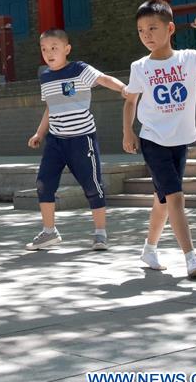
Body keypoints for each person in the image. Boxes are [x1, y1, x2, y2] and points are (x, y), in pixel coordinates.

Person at [122, 1, 196, 278]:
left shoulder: (188, 60)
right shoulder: (140, 67)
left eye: (153, 28)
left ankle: (149, 248)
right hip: (153, 139)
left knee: (163, 199)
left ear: (170, 28)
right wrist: (128, 131)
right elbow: (130, 101)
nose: (146, 35)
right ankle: (190, 256)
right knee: (175, 197)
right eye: (141, 30)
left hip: (179, 141)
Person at [26, 29, 127, 251]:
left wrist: (123, 88)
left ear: (66, 49)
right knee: (43, 183)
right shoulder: (45, 76)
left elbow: (103, 78)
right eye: (44, 49)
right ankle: (49, 233)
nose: (49, 53)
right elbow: (50, 108)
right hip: (56, 141)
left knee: (92, 186)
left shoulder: (80, 69)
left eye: (54, 48)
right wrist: (39, 133)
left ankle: (100, 234)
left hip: (82, 139)